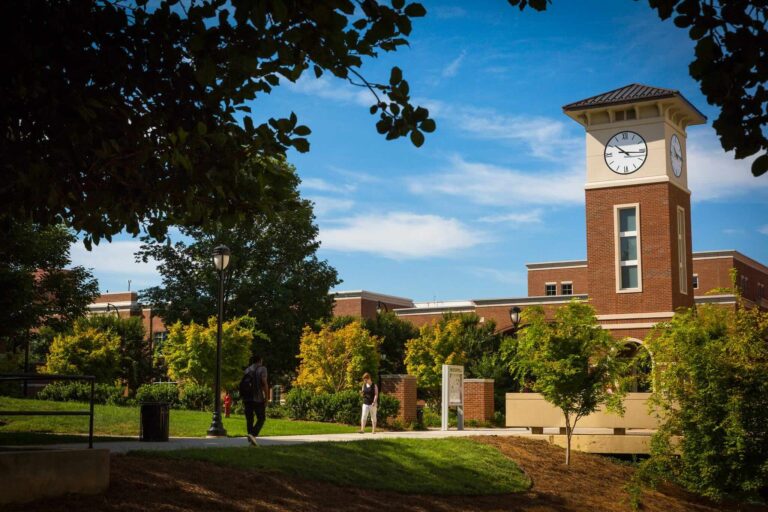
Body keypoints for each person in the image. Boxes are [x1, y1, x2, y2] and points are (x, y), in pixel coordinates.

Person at [241, 354, 268, 446]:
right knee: (261, 418)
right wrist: (266, 398)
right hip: (257, 398)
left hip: (247, 398)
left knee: (249, 419)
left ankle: (250, 436)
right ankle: (253, 434)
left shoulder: (247, 370)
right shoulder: (262, 369)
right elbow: (264, 383)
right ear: (260, 361)